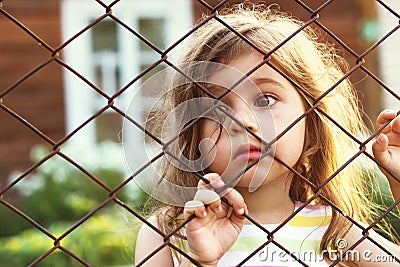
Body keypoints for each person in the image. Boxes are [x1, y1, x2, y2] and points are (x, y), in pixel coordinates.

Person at [135, 3, 400, 267]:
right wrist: (199, 261)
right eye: (216, 108)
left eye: (265, 100)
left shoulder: (336, 231)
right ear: (194, 135)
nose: (242, 122)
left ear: (312, 125)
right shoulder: (167, 233)